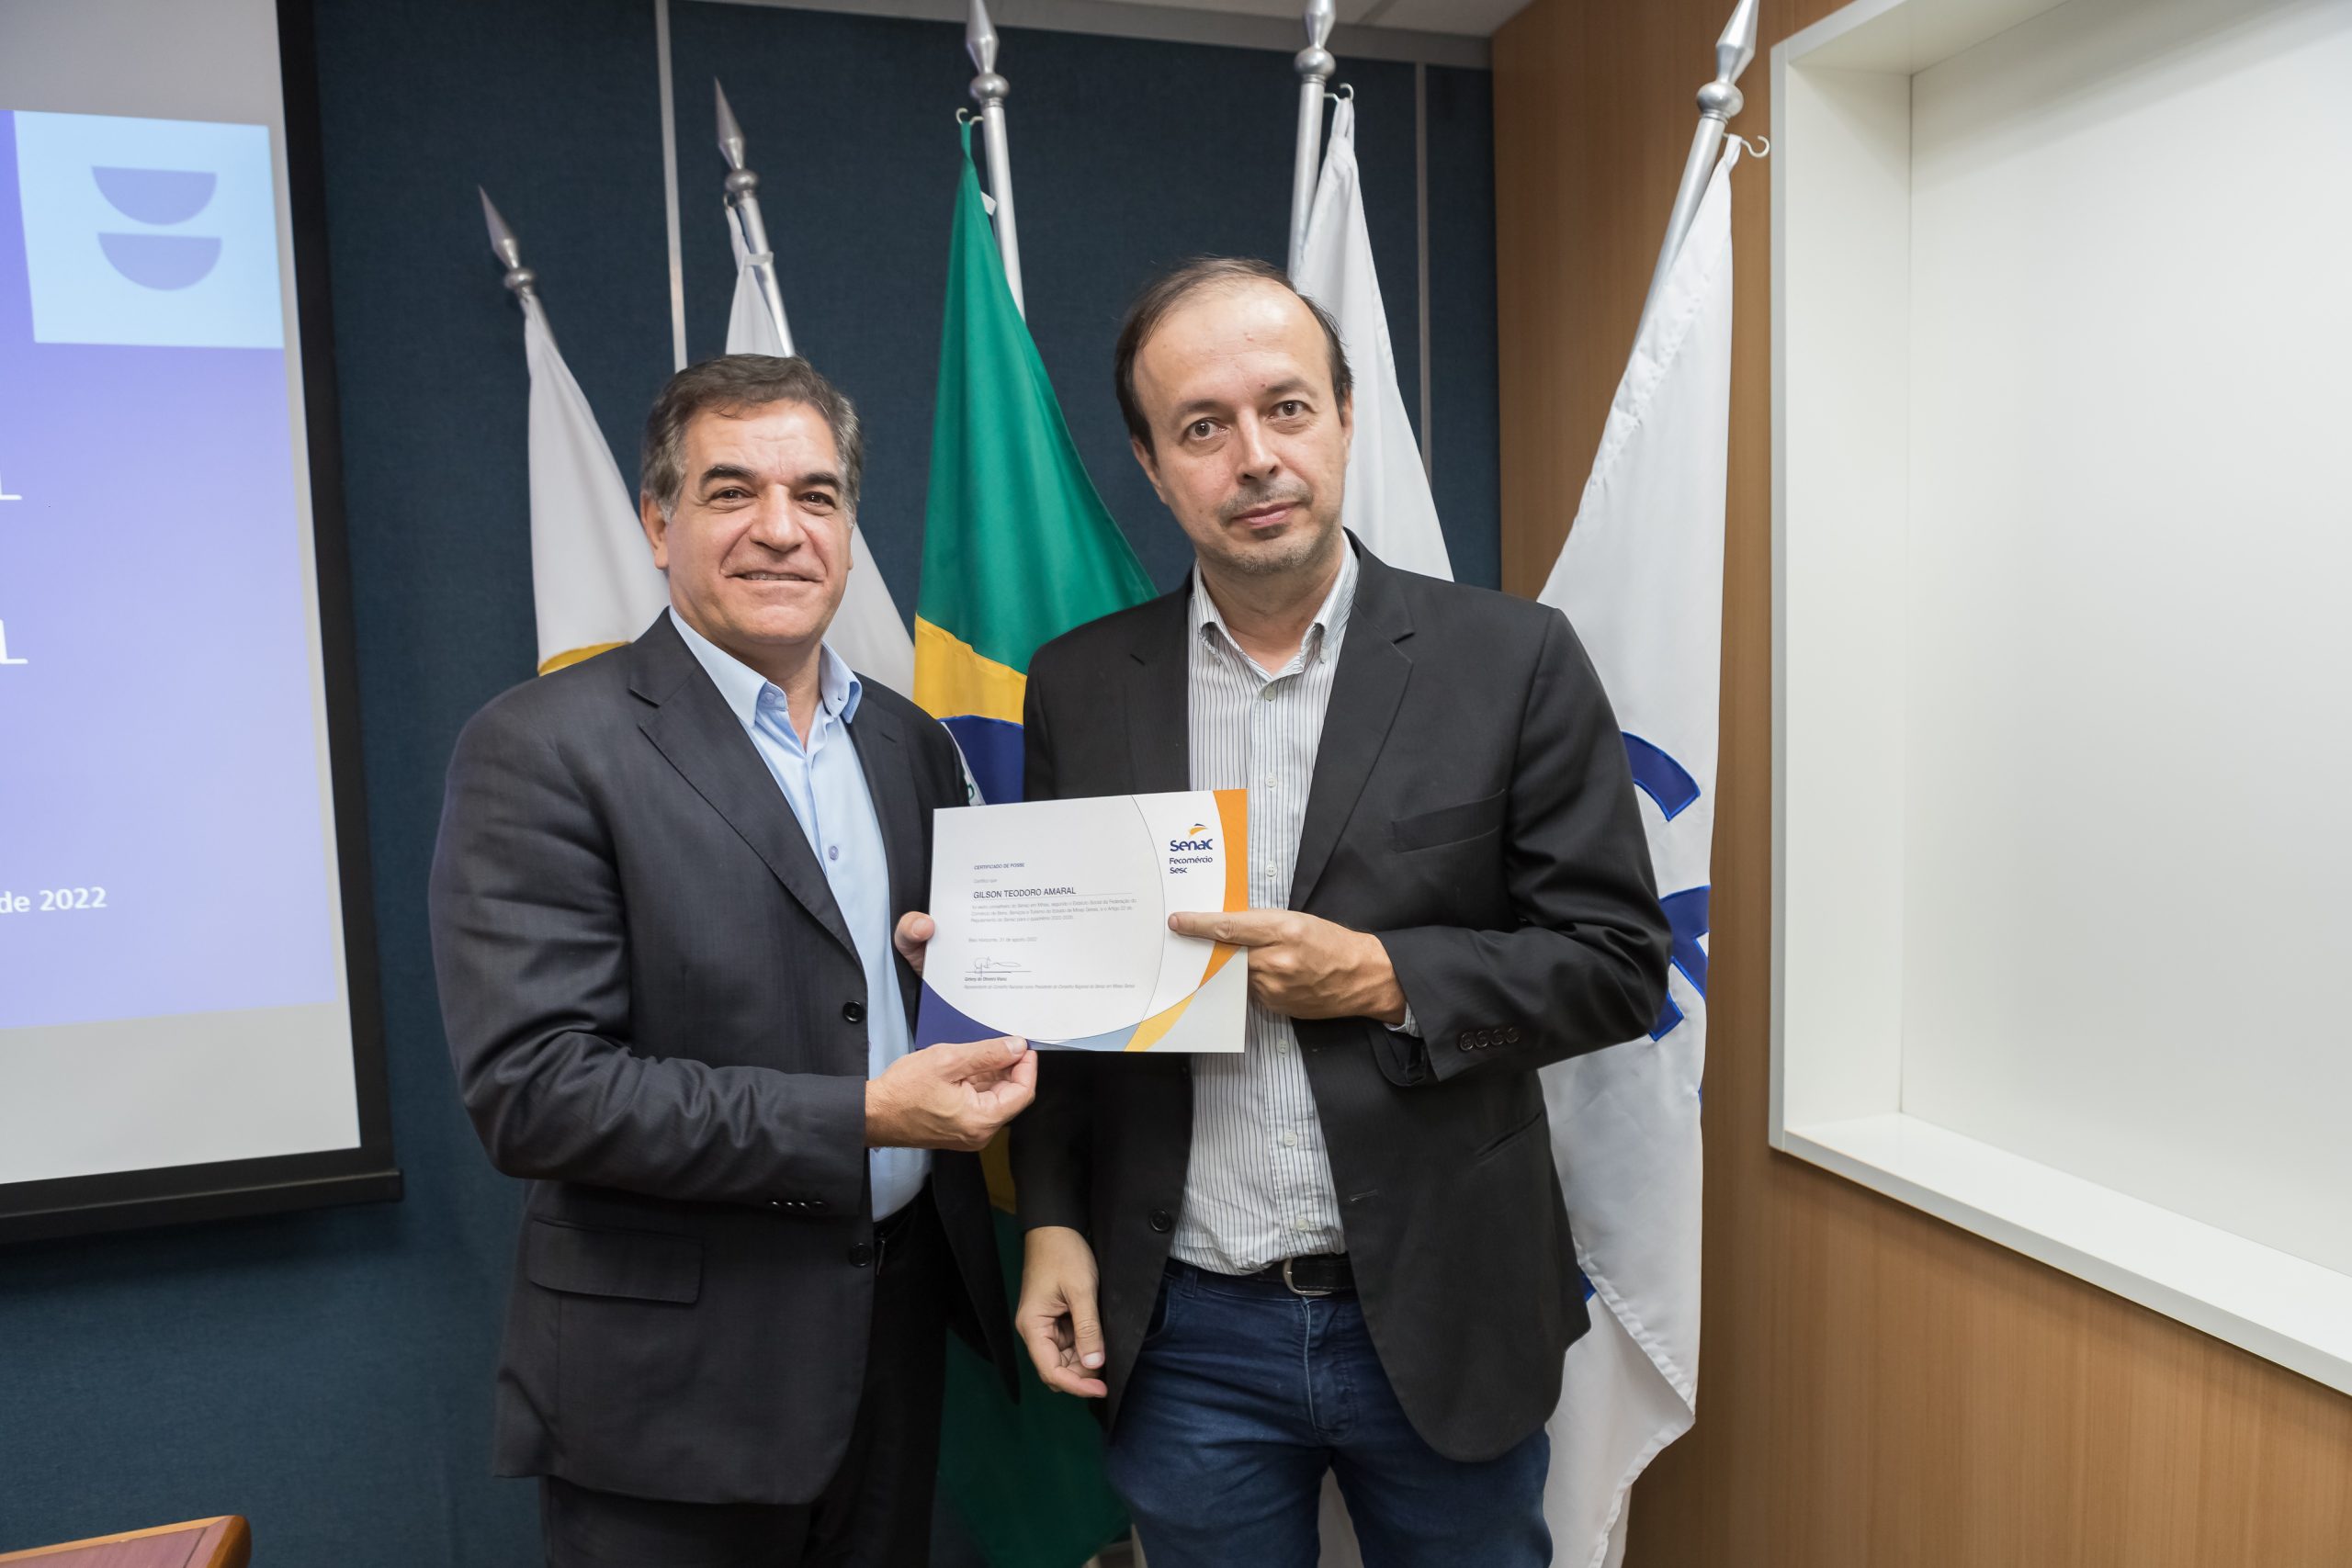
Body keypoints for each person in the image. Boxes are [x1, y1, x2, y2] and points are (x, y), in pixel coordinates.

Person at [1009, 258, 1673, 1567]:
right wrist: (1049, 1218)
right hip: (1183, 1329)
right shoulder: (1080, 687)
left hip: (1446, 1306)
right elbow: (1065, 1010)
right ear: (1151, 465)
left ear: (1347, 418)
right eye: (1203, 426)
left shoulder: (1513, 660)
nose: (1255, 457)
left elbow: (1615, 965)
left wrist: (1383, 976)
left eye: (1287, 408)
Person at [428, 355, 1027, 1568]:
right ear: (659, 525)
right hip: (674, 1390)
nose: (780, 529)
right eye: (731, 491)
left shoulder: (909, 744)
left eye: (816, 495)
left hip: (894, 1339)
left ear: (848, 531)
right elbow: (538, 1094)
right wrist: (865, 1116)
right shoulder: (542, 747)